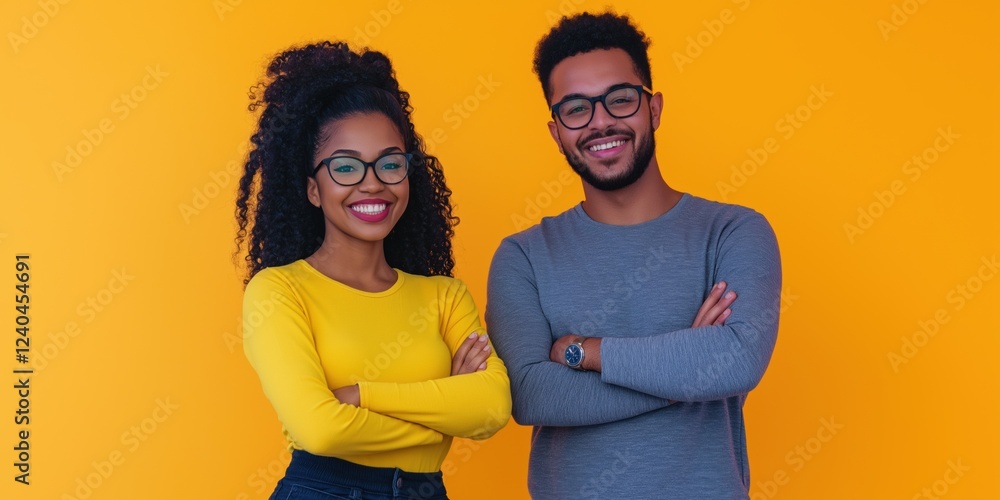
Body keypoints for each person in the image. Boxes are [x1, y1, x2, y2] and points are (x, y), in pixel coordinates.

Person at [485, 12, 782, 499]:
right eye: (576, 108)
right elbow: (532, 394)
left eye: (620, 99)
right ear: (556, 131)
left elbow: (738, 358)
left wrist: (585, 352)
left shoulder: (734, 231)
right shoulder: (522, 256)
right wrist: (685, 367)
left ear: (654, 108)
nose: (601, 120)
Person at [235, 41, 511, 500]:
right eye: (345, 167)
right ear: (312, 190)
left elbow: (492, 408)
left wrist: (360, 395)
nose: (372, 182)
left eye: (389, 164)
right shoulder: (279, 291)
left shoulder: (444, 296)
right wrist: (442, 416)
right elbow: (321, 431)